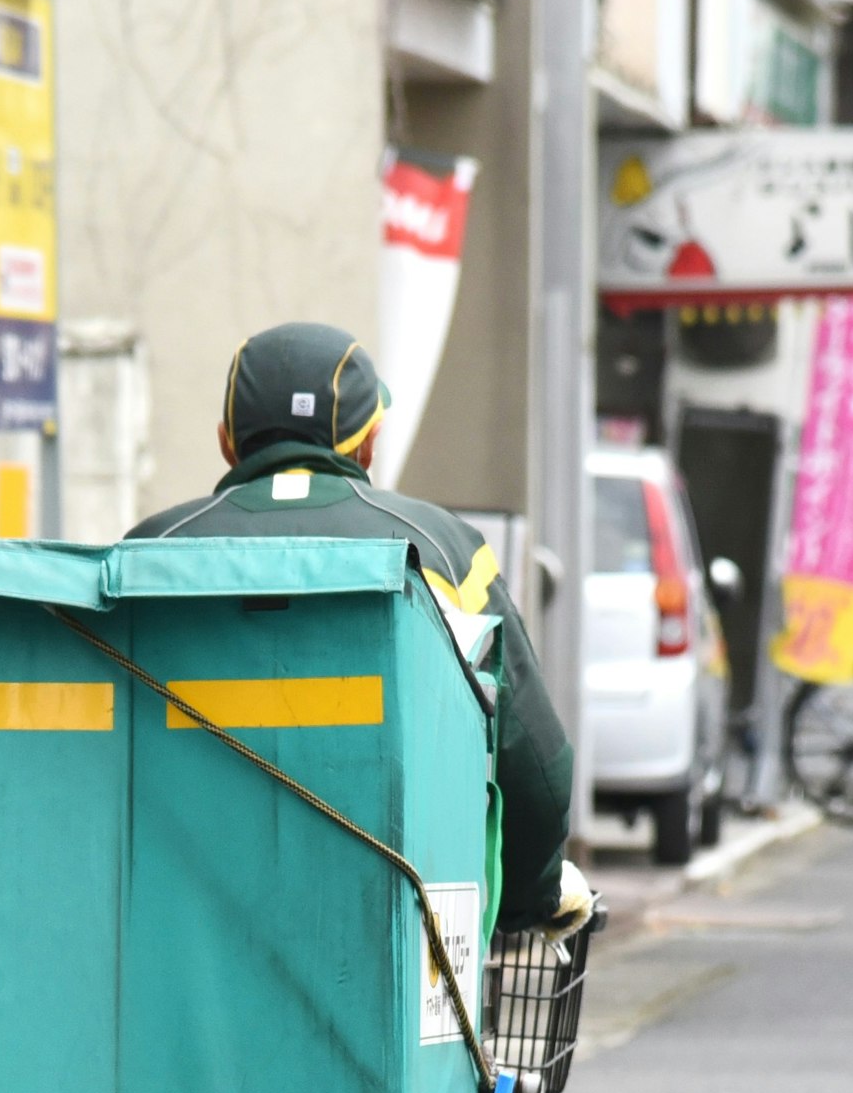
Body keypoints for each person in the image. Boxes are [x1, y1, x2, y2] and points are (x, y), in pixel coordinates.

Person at [124, 322, 581, 930]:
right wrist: (528, 896)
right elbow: (536, 766)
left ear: (227, 444)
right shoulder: (445, 551)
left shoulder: (148, 554)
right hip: (388, 922)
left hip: (187, 925)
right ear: (367, 447)